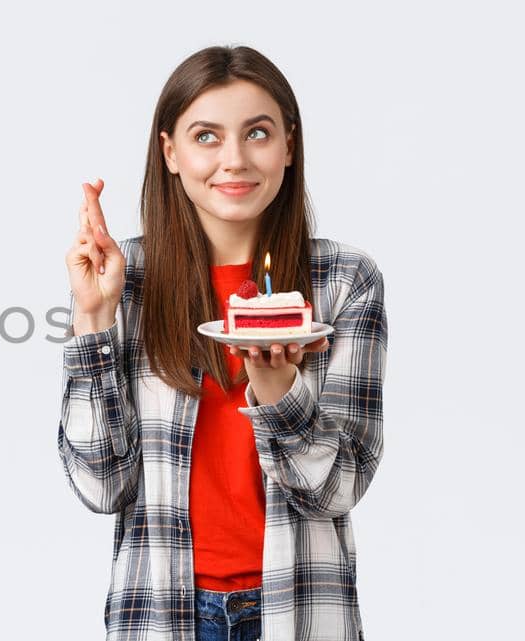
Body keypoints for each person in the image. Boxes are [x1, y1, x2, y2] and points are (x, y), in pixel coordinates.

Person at [59, 45, 388, 641]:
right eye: (206, 137)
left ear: (289, 145)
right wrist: (94, 320)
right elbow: (101, 485)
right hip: (162, 612)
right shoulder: (122, 277)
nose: (233, 160)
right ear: (171, 154)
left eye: (257, 133)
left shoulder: (345, 283)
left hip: (300, 608)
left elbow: (337, 488)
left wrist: (277, 386)